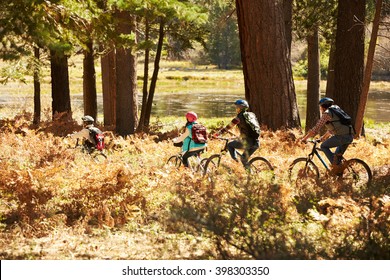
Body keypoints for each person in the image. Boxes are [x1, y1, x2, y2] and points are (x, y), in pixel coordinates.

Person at [301, 97, 354, 171]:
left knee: (324, 146)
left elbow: (316, 129)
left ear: (323, 106)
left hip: (342, 137)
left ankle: (335, 167)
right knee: (336, 157)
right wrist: (322, 138)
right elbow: (332, 130)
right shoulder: (336, 110)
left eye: (320, 107)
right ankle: (339, 171)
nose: (320, 108)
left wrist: (305, 138)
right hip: (349, 136)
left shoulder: (327, 113)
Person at [213, 99, 260, 167]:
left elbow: (227, 128)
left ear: (239, 108)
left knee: (230, 145)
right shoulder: (251, 116)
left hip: (247, 142)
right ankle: (250, 175)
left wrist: (217, 134)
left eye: (236, 107)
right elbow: (250, 130)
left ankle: (236, 162)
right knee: (244, 159)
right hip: (256, 142)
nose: (236, 109)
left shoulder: (238, 118)